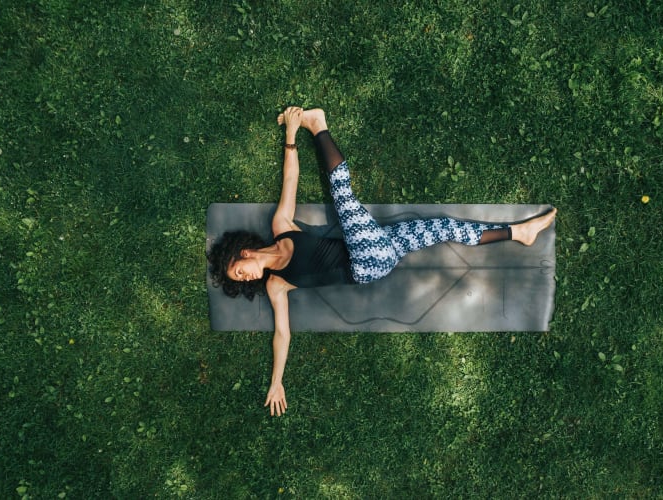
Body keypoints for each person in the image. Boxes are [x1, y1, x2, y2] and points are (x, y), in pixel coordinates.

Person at [207, 107, 557, 416]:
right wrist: (277, 382)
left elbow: (290, 181)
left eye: (240, 271)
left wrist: (289, 137)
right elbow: (282, 334)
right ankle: (319, 125)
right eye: (241, 281)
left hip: (378, 245)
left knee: (445, 227)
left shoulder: (280, 228)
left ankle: (518, 234)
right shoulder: (276, 284)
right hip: (367, 265)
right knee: (343, 197)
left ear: (244, 252)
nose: (246, 278)